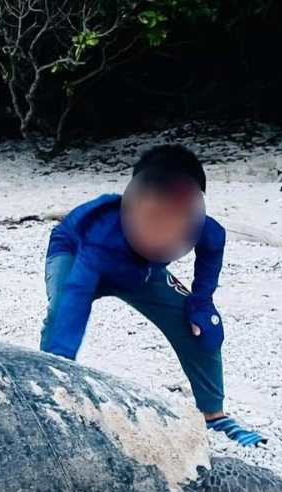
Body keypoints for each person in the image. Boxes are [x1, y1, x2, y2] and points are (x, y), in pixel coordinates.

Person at [40, 144, 265, 446]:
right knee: (60, 317)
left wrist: (201, 303)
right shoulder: (102, 235)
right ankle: (47, 393)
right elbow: (75, 301)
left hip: (141, 268)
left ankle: (214, 415)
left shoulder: (205, 229)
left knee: (201, 326)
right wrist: (60, 365)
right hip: (76, 251)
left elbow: (209, 265)